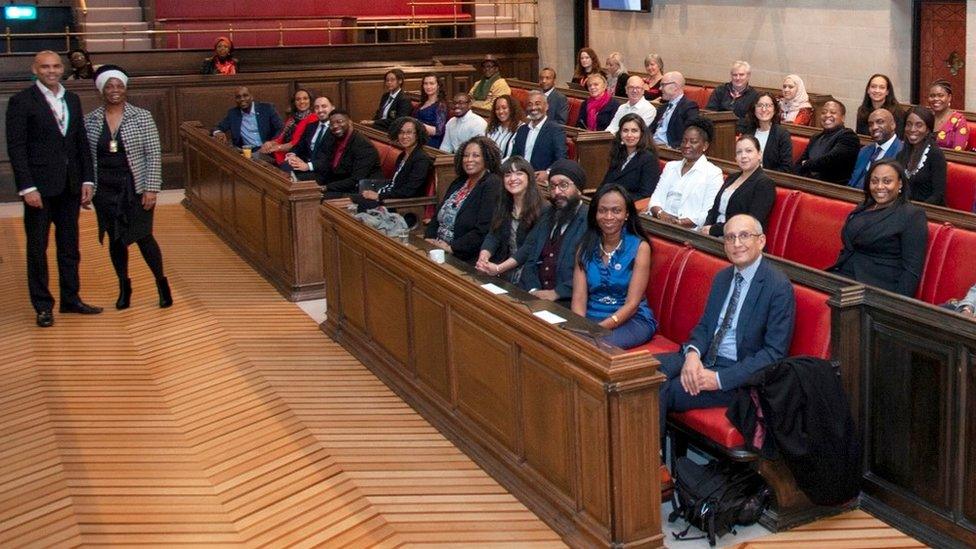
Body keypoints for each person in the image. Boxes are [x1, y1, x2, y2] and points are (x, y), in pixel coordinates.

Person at [657, 213, 795, 433]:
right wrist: (692, 354)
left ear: (761, 241)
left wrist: (719, 379)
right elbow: (705, 327)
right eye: (730, 238)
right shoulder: (723, 277)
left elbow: (773, 354)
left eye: (744, 236)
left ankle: (651, 462)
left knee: (662, 390)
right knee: (644, 372)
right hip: (704, 357)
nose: (736, 243)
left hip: (737, 373)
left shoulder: (777, 287)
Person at [6, 51, 99, 327]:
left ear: (63, 68)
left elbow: (80, 142)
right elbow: (17, 148)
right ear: (35, 69)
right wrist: (27, 187)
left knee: (70, 246)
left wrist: (87, 180)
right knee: (37, 249)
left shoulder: (72, 98)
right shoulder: (20, 101)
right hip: (39, 189)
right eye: (45, 67)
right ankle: (43, 306)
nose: (51, 71)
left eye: (56, 66)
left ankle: (71, 299)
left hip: (70, 185)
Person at [83, 65, 171, 310]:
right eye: (109, 86)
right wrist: (87, 186)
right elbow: (86, 158)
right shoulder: (89, 121)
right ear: (101, 90)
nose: (115, 91)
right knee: (116, 240)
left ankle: (162, 284)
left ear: (125, 88)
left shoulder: (142, 116)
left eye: (119, 86)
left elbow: (153, 154)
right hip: (105, 190)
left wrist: (151, 188)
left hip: (136, 186)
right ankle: (124, 286)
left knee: (144, 236)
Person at [486, 159, 589, 302]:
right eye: (553, 186)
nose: (557, 192)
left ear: (578, 188)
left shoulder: (589, 220)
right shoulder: (548, 214)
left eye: (564, 185)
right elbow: (531, 257)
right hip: (535, 294)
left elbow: (592, 271)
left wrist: (556, 293)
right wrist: (533, 290)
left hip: (569, 300)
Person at [570, 184, 656, 349]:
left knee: (595, 346)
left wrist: (598, 329)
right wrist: (581, 327)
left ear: (626, 214)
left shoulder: (640, 247)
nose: (608, 216)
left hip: (631, 320)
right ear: (595, 213)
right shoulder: (584, 247)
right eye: (602, 210)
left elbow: (632, 304)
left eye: (616, 211)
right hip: (591, 317)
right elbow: (579, 298)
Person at [830, 159, 927, 297]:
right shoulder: (863, 207)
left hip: (874, 289)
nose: (879, 186)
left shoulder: (912, 215)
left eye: (887, 181)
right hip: (841, 276)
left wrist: (894, 308)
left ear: (900, 184)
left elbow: (911, 271)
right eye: (874, 181)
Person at [425, 136, 502, 263]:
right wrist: (429, 238)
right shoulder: (459, 181)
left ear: (486, 158)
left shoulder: (492, 184)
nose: (469, 160)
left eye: (476, 155)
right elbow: (437, 215)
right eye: (466, 156)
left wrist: (451, 248)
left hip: (463, 255)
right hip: (438, 248)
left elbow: (483, 230)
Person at [475, 156, 548, 282]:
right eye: (508, 175)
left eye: (519, 174)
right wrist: (484, 257)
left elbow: (528, 248)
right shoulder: (503, 203)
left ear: (529, 177)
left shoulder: (543, 209)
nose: (513, 179)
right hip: (504, 266)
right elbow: (493, 234)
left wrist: (499, 268)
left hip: (529, 271)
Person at [647, 118, 724, 230]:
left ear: (705, 146)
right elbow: (656, 198)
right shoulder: (670, 166)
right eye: (684, 141)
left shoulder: (713, 173)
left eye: (693, 142)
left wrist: (679, 223)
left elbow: (707, 212)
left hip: (687, 230)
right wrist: (660, 214)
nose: (686, 145)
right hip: (660, 222)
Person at [289, 109, 383, 196]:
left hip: (359, 189)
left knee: (313, 197)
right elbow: (327, 163)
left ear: (350, 122)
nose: (335, 126)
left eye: (339, 122)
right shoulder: (333, 138)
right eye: (332, 124)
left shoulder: (363, 146)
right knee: (297, 183)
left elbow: (355, 180)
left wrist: (325, 187)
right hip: (336, 180)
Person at [701, 135, 776, 237]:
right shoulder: (732, 177)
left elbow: (750, 222)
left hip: (741, 239)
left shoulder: (764, 184)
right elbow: (714, 209)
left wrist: (713, 230)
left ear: (759, 154)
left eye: (749, 151)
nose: (743, 156)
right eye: (739, 152)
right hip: (714, 236)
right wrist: (706, 228)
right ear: (735, 158)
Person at [355, 117, 433, 209]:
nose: (404, 136)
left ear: (417, 135)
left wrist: (378, 196)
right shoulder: (402, 155)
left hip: (401, 205)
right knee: (351, 198)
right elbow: (395, 183)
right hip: (389, 194)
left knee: (354, 204)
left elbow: (408, 191)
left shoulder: (421, 159)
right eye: (401, 132)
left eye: (409, 132)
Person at [795, 100, 860, 184]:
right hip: (807, 183)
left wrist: (807, 163)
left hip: (831, 188)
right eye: (824, 112)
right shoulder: (815, 137)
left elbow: (829, 161)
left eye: (833, 112)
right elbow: (799, 162)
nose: (827, 115)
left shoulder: (848, 136)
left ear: (843, 118)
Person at [509, 90, 567, 181]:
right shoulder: (522, 130)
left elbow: (561, 159)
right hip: (519, 177)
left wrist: (548, 172)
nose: (533, 108)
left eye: (537, 104)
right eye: (529, 104)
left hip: (540, 180)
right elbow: (514, 156)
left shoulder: (555, 130)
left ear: (546, 106)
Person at [600, 113, 660, 200]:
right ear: (620, 133)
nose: (629, 135)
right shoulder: (618, 153)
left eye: (634, 131)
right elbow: (605, 184)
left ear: (642, 134)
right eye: (625, 130)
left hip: (629, 207)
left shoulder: (648, 159)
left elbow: (646, 194)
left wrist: (617, 200)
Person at [212, 86, 284, 157]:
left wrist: (272, 142)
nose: (242, 99)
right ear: (235, 100)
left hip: (267, 150)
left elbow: (280, 128)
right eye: (238, 97)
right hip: (246, 153)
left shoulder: (266, 108)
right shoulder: (233, 114)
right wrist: (218, 132)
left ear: (251, 97)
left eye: (245, 96)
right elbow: (217, 127)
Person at [898, 106, 946, 205]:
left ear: (928, 129)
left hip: (928, 211)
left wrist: (913, 212)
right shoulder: (900, 154)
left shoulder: (935, 154)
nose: (912, 129)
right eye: (908, 124)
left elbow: (937, 195)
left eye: (919, 125)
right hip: (904, 209)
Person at [848, 109, 903, 189]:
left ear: (893, 125)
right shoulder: (864, 151)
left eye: (880, 122)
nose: (874, 127)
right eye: (870, 124)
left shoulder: (902, 152)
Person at [740, 93, 793, 173]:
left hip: (770, 180)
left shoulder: (782, 134)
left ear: (775, 110)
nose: (764, 109)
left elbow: (786, 167)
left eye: (768, 105)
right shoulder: (747, 131)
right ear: (754, 109)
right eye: (760, 105)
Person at [650, 71, 700, 148]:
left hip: (669, 149)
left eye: (663, 85)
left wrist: (670, 147)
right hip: (652, 147)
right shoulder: (662, 108)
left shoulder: (689, 107)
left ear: (675, 87)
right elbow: (650, 130)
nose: (660, 88)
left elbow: (690, 134)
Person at [268, 88, 316, 165]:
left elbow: (296, 144)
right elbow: (281, 137)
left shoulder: (313, 118)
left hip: (299, 155)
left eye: (305, 98)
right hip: (283, 152)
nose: (302, 102)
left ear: (310, 101)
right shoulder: (292, 118)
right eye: (298, 99)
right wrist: (271, 144)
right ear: (294, 102)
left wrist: (278, 147)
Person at [285, 95, 334, 169]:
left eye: (324, 106)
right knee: (283, 168)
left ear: (332, 108)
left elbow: (332, 157)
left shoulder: (337, 129)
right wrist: (292, 155)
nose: (320, 110)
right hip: (305, 164)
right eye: (317, 107)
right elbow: (299, 145)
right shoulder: (311, 126)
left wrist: (308, 166)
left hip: (324, 170)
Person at [927, 80, 969, 151]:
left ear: (949, 97)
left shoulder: (959, 121)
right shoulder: (926, 116)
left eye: (940, 96)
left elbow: (957, 154)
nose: (936, 99)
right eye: (932, 96)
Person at [415, 73, 448, 149]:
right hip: (418, 138)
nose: (428, 86)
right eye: (425, 84)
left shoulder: (441, 105)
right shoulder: (423, 102)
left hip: (431, 142)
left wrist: (417, 124)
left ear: (438, 86)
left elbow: (438, 131)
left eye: (432, 83)